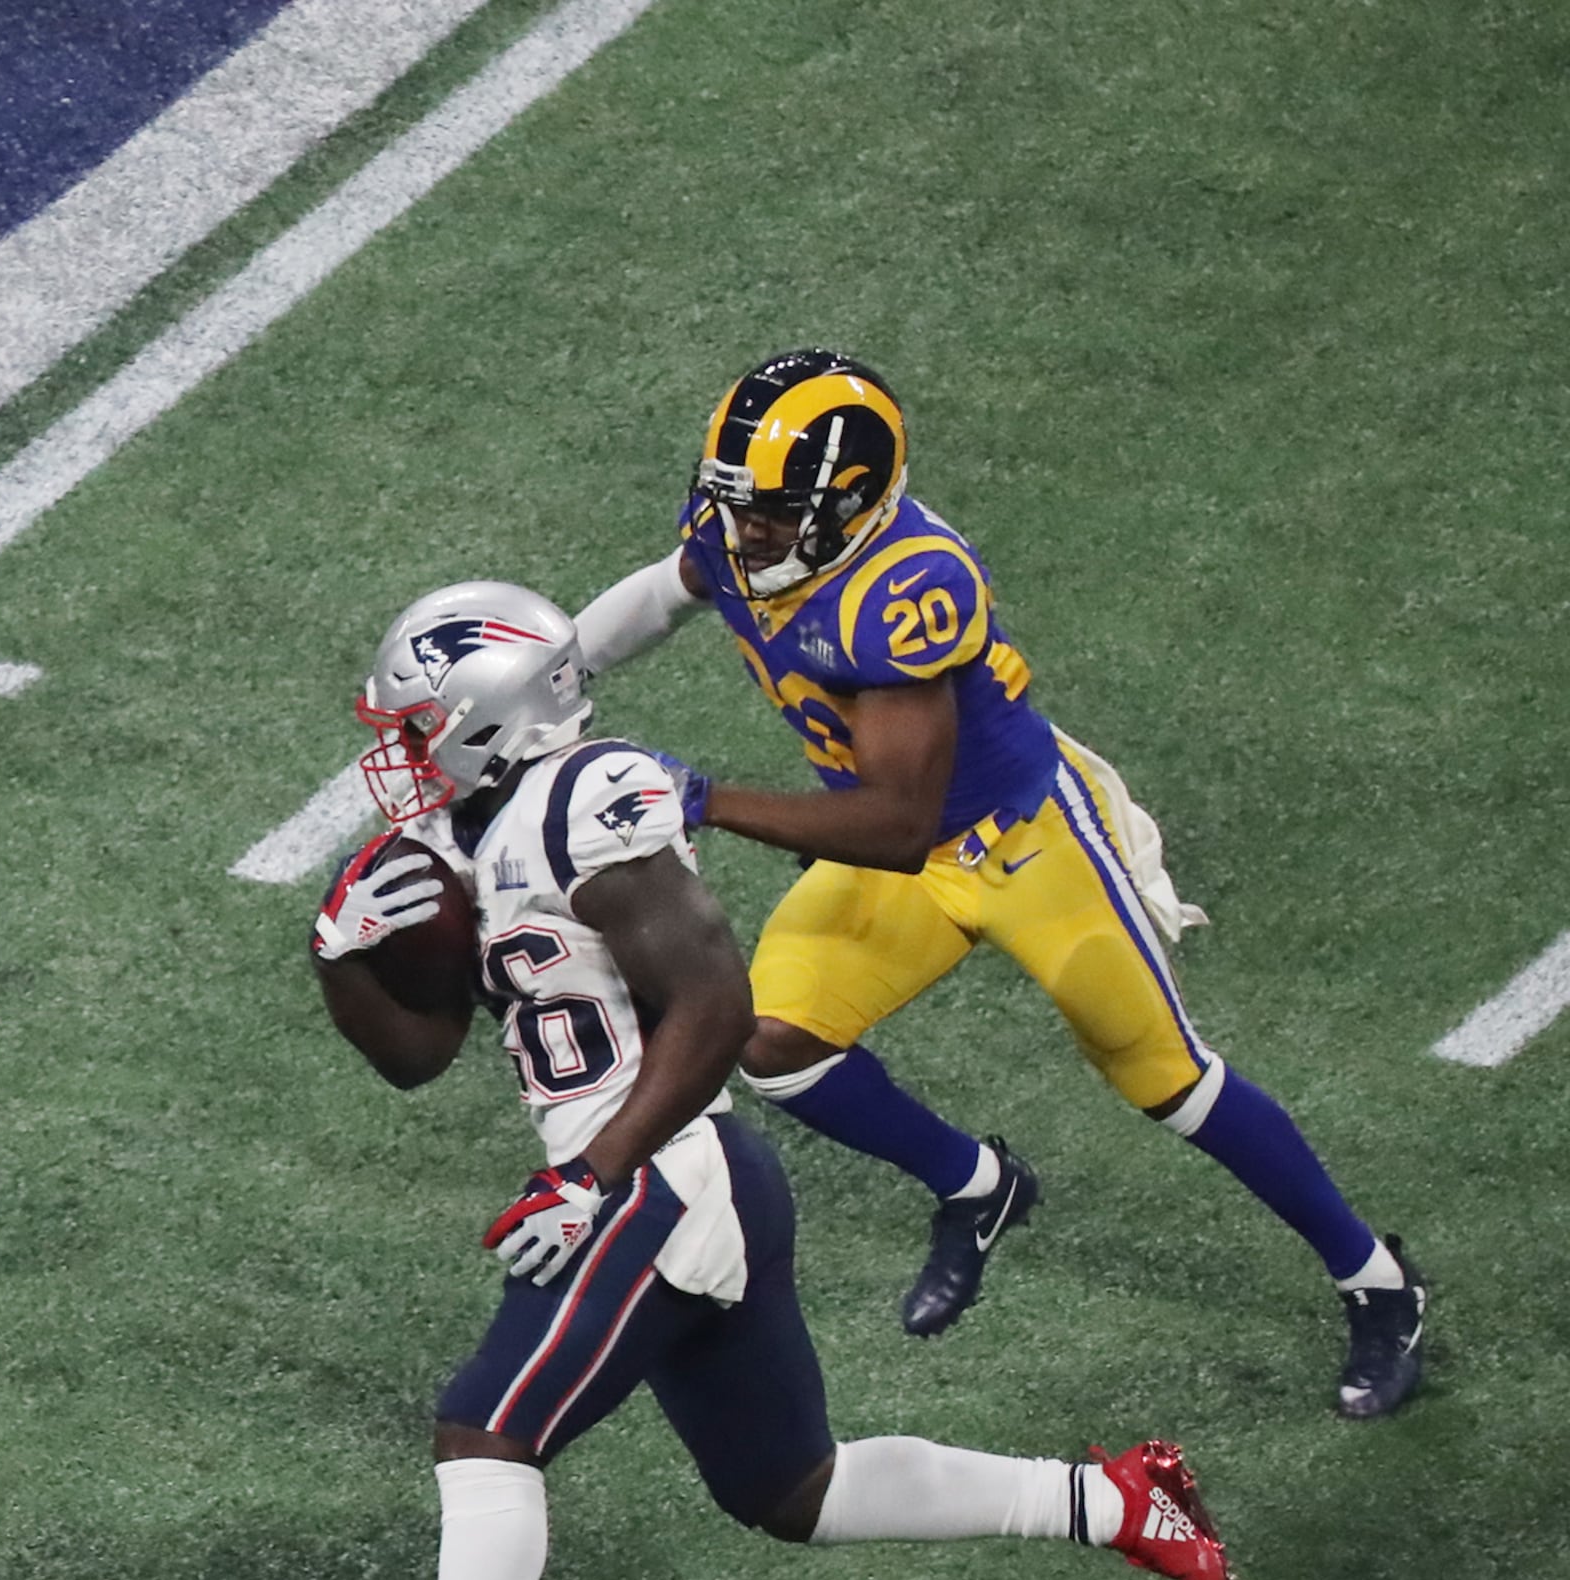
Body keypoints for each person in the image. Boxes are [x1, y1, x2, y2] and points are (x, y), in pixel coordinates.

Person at [300, 585, 1234, 1580]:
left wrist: (594, 1175)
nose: (398, 753)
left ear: (488, 719)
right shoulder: (483, 829)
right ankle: (1116, 1500)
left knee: (487, 1426)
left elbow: (716, 1004)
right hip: (666, 1175)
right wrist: (341, 956)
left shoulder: (585, 797)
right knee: (793, 1488)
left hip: (662, 1170)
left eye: (416, 726)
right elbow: (420, 1056)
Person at [571, 350, 1423, 1415]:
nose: (748, 530)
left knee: (1170, 1081)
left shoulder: (905, 588)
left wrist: (701, 799)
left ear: (846, 504)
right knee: (776, 1041)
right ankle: (979, 1187)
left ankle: (1379, 1284)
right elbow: (668, 590)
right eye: (741, 503)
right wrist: (563, 671)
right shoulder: (748, 534)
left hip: (1019, 845)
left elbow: (894, 823)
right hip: (908, 848)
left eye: (777, 512)